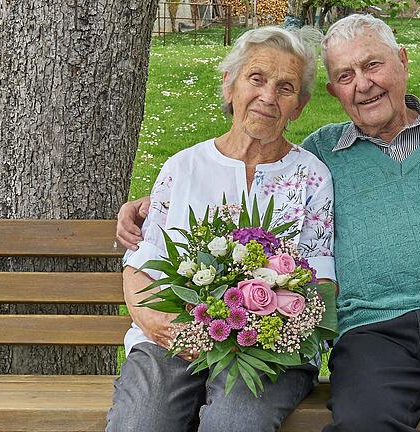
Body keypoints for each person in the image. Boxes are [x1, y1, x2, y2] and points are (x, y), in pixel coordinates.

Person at [118, 14, 420, 432]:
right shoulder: (324, 154)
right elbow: (257, 151)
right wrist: (150, 204)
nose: (363, 84)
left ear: (402, 61)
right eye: (345, 75)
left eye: (373, 65)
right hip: (375, 334)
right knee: (364, 423)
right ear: (332, 93)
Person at [107, 26, 335, 432]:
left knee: (234, 423)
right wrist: (156, 324)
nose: (268, 96)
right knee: (141, 423)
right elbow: (141, 262)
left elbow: (321, 282)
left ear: (298, 106)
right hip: (173, 339)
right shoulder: (185, 166)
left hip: (269, 349)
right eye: (256, 78)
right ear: (230, 86)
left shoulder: (311, 176)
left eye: (285, 88)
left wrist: (270, 327)